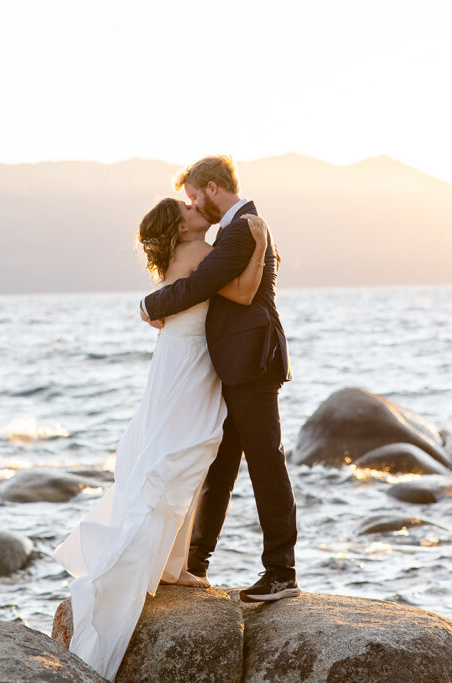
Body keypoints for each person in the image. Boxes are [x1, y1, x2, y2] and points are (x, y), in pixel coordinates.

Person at [53, 196, 270, 681]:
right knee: (187, 452)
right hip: (191, 363)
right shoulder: (198, 253)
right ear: (180, 226)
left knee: (174, 451)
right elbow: (240, 294)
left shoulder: (186, 255)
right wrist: (257, 247)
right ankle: (168, 565)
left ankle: (173, 565)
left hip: (174, 360)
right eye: (187, 209)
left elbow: (160, 308)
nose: (196, 209)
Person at [140, 156, 298, 604]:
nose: (191, 203)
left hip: (251, 361)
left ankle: (282, 573)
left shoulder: (243, 226)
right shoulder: (237, 228)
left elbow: (202, 285)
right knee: (220, 467)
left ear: (211, 188)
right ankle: (195, 560)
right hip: (229, 364)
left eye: (192, 195)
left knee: (265, 463)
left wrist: (150, 306)